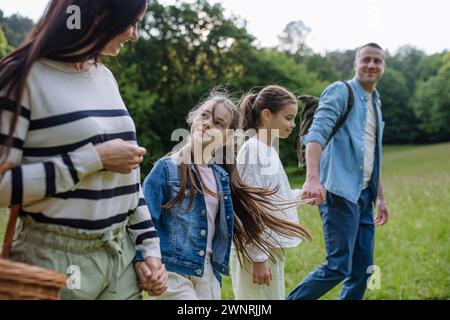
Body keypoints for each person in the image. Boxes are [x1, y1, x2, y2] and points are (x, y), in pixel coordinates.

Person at [0, 0, 167, 299]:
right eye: (131, 23)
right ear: (99, 16)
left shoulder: (104, 77)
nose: (134, 35)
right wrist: (93, 159)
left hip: (119, 257)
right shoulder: (22, 77)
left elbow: (128, 178)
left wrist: (149, 247)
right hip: (54, 261)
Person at [140, 90, 310, 300]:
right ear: (193, 118)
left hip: (208, 271)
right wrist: (146, 261)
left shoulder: (220, 177)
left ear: (227, 138)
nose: (208, 123)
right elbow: (145, 221)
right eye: (204, 115)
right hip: (173, 269)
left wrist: (302, 196)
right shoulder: (166, 170)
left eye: (219, 123)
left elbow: (249, 209)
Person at [287, 43, 389, 300]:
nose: (371, 65)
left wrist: (380, 196)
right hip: (339, 191)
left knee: (363, 270)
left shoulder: (375, 102)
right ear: (355, 64)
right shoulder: (340, 91)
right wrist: (312, 179)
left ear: (383, 67)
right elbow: (315, 136)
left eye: (378, 61)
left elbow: (371, 154)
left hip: (364, 196)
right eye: (366, 59)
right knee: (337, 266)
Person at [230, 85, 312, 300]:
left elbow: (273, 199)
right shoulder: (253, 149)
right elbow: (248, 207)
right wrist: (257, 257)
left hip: (269, 248)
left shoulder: (267, 150)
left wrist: (303, 195)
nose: (293, 124)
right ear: (267, 115)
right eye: (288, 117)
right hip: (257, 251)